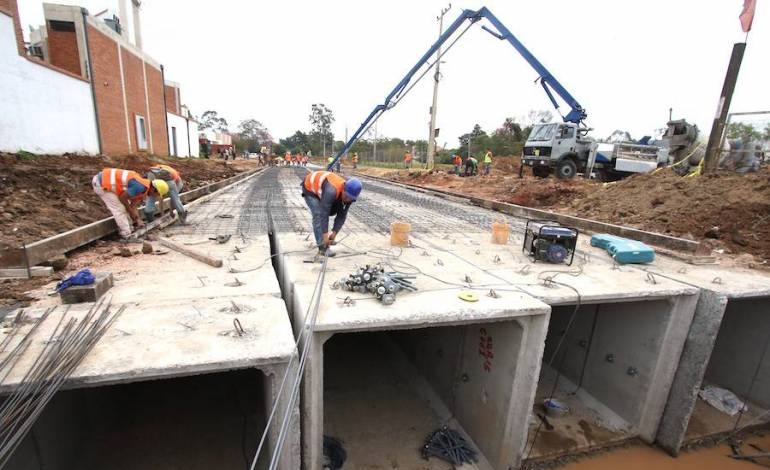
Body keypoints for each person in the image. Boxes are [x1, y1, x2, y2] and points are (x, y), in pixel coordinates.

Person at [92, 168, 168, 239]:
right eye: (157, 194)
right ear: (154, 189)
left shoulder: (144, 189)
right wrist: (130, 212)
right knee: (120, 209)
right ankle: (126, 235)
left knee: (125, 207)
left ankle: (130, 229)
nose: (155, 196)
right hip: (101, 182)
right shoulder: (140, 187)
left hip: (108, 184)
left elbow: (133, 206)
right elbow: (122, 198)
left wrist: (137, 220)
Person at [301, 171, 362, 257]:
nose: (347, 200)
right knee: (318, 214)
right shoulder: (331, 191)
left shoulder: (350, 197)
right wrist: (325, 236)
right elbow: (324, 214)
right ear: (343, 188)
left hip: (323, 188)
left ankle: (324, 241)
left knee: (338, 207)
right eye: (346, 196)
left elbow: (342, 215)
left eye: (350, 198)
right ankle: (322, 247)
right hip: (310, 187)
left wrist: (334, 233)